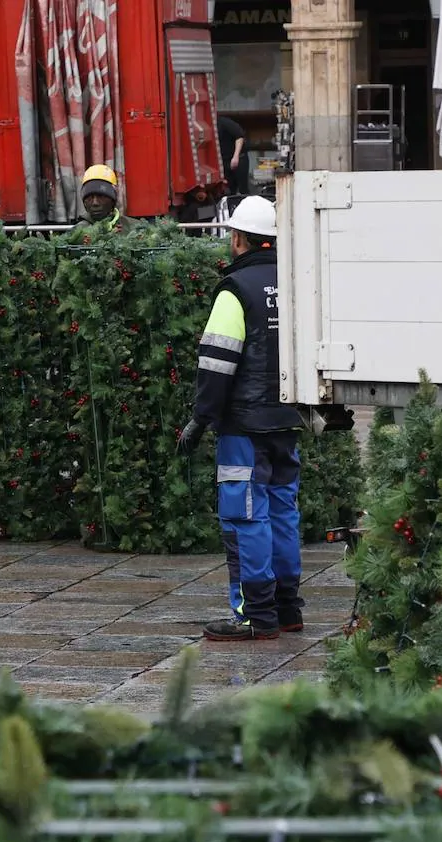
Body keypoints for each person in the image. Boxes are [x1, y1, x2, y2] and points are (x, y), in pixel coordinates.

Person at [176, 196, 303, 642]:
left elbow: (216, 363)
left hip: (243, 427)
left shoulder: (235, 290)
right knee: (284, 512)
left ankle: (256, 616)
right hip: (289, 421)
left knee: (246, 517)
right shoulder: (295, 283)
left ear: (238, 238)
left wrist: (200, 419)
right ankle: (288, 609)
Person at [71, 164, 142, 233]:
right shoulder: (77, 234)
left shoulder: (135, 228)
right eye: (90, 197)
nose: (95, 203)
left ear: (113, 201)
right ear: (84, 203)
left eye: (101, 196)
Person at [216, 116, 250, 196]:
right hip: (225, 160)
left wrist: (236, 156)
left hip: (239, 158)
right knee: (229, 189)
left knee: (243, 189)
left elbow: (239, 136)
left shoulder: (224, 122)